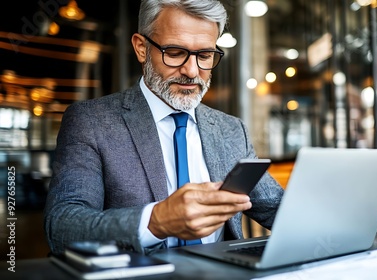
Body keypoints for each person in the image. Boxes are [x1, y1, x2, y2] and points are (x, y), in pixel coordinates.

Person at [44, 0, 284, 255]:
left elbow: (277, 208)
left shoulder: (232, 129)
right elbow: (62, 226)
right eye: (175, 52)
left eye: (204, 55)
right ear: (141, 48)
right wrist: (157, 220)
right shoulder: (91, 122)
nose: (192, 71)